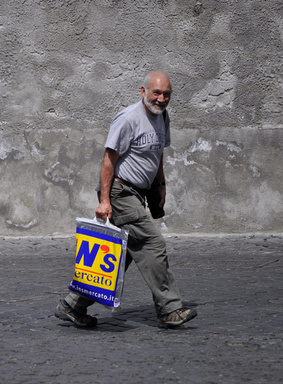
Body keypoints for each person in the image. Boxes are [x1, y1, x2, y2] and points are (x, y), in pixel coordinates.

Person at [55, 71, 197, 328]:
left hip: (139, 193)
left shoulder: (162, 116)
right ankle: (169, 309)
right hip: (121, 193)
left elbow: (158, 155)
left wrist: (160, 184)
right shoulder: (128, 119)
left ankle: (72, 306)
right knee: (152, 243)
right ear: (143, 91)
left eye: (166, 94)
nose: (161, 99)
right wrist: (105, 201)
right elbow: (109, 160)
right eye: (156, 93)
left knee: (119, 255)